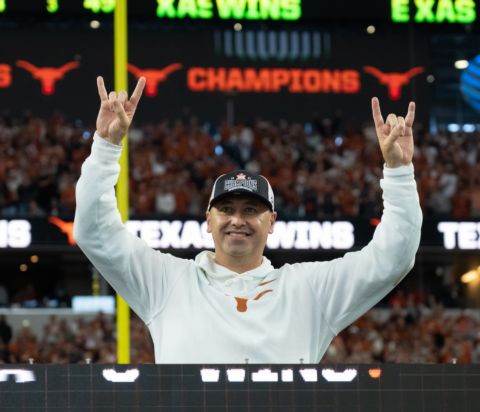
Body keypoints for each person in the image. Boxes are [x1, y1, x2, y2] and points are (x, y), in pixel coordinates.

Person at [74, 76, 422, 363]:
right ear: (208, 220)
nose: (237, 219)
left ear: (271, 221)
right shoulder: (168, 282)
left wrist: (399, 172)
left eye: (250, 211)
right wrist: (106, 147)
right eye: (226, 210)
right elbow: (94, 232)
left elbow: (392, 258)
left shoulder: (308, 290)